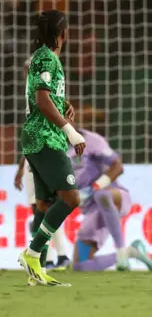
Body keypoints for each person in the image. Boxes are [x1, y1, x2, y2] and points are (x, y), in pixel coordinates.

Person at [18, 10, 86, 287]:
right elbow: (43, 102)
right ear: (62, 33)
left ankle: (38, 272)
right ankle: (33, 254)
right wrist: (71, 132)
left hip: (37, 137)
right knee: (70, 199)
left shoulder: (45, 58)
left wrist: (64, 103)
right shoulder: (47, 57)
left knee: (44, 204)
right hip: (45, 137)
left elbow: (48, 97)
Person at [71, 127, 152, 273]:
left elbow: (117, 166)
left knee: (101, 195)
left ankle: (120, 248)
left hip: (115, 196)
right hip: (92, 210)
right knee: (80, 266)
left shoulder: (91, 140)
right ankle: (131, 252)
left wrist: (94, 188)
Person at [14, 58, 71, 271]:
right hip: (35, 159)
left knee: (45, 208)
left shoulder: (44, 96)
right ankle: (50, 258)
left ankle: (48, 258)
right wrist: (21, 167)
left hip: (43, 158)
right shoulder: (34, 96)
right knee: (44, 209)